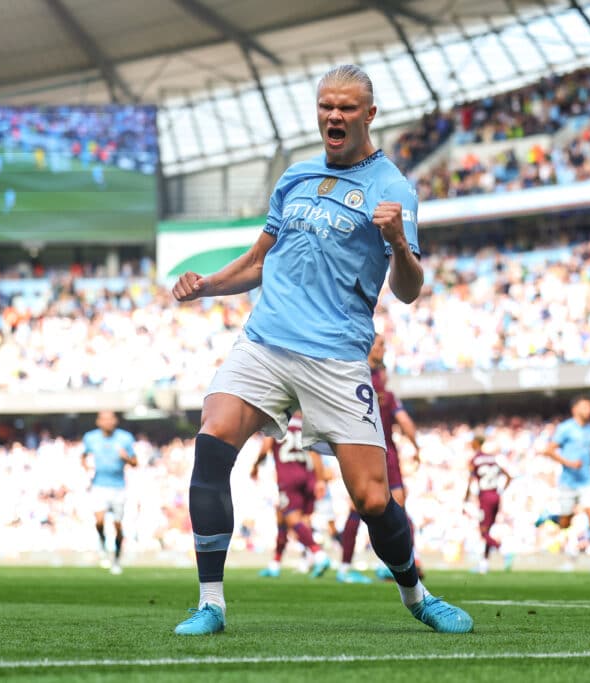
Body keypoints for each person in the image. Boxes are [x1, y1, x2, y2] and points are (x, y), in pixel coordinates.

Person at [170, 64, 473, 635]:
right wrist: (207, 283)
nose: (335, 116)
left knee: (372, 498)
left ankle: (417, 595)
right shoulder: (295, 177)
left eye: (348, 108)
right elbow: (259, 262)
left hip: (335, 357)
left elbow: (408, 291)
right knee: (211, 443)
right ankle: (211, 604)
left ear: (370, 114)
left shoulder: (392, 188)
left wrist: (396, 245)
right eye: (327, 106)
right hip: (265, 342)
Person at [338, 336, 422, 584]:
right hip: (375, 451)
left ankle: (354, 566)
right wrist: (416, 446)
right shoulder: (372, 383)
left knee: (368, 510)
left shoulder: (359, 378)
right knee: (393, 510)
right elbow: (405, 422)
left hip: (373, 451)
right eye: (380, 344)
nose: (384, 348)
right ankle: (404, 564)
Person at [535, 396, 590, 576]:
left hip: (586, 480)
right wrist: (568, 463)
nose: (589, 410)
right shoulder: (565, 428)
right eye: (586, 406)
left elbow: (586, 452)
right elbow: (548, 450)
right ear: (575, 409)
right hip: (568, 482)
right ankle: (549, 516)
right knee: (565, 524)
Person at [250, 413, 331, 578]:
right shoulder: (306, 423)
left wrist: (256, 466)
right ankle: (276, 564)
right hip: (308, 475)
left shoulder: (277, 421)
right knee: (285, 516)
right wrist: (320, 479)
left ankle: (318, 555)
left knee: (291, 517)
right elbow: (315, 453)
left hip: (288, 475)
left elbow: (266, 448)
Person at [82, 411, 137, 575]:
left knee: (118, 525)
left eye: (110, 419)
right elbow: (83, 455)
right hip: (99, 485)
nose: (108, 422)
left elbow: (135, 462)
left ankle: (117, 560)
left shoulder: (125, 438)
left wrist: (125, 458)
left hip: (118, 487)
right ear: (98, 422)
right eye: (104, 419)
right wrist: (86, 467)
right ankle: (103, 543)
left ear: (115, 421)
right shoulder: (90, 438)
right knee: (99, 521)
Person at [464, 433, 512, 574]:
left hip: (485, 497)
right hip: (496, 495)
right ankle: (484, 564)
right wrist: (501, 491)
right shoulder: (492, 458)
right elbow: (509, 476)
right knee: (488, 530)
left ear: (476, 443)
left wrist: (466, 497)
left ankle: (504, 551)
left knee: (483, 532)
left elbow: (470, 479)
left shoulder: (474, 460)